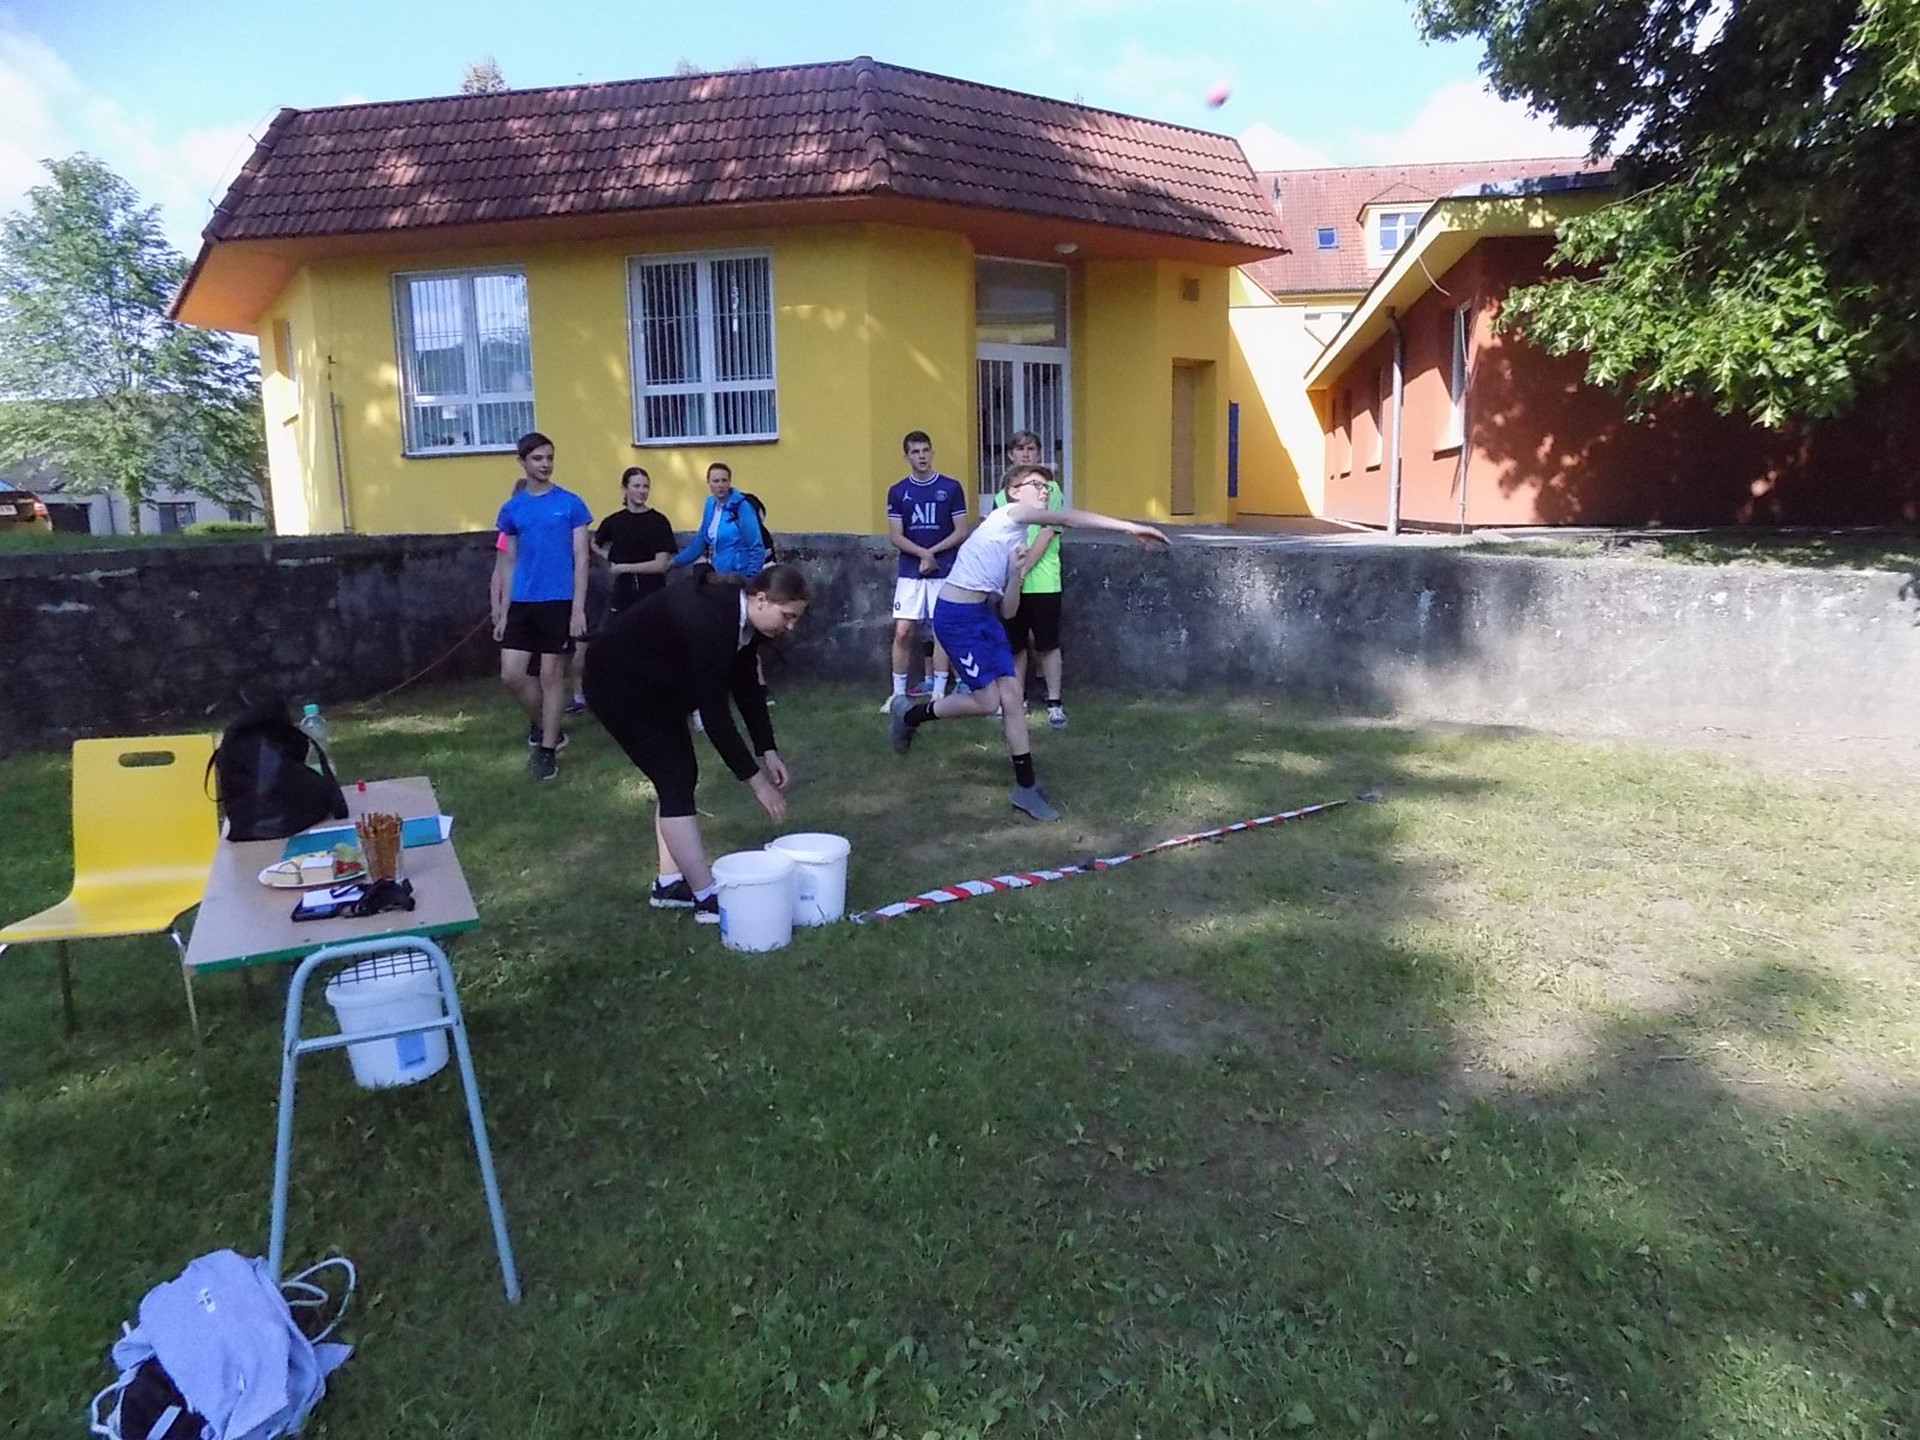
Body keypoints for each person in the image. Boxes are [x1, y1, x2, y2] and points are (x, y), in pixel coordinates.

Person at [887, 465, 1169, 821]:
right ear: (1014, 492)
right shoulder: (1009, 514)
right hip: (956, 617)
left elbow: (1008, 609)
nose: (1045, 490)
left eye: (1048, 486)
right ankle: (909, 715)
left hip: (983, 615)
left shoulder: (1016, 540)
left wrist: (1014, 573)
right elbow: (1068, 518)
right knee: (988, 702)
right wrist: (1129, 527)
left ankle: (1025, 786)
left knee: (1012, 696)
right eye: (1036, 484)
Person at [583, 564, 810, 921]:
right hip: (618, 685)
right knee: (675, 777)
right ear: (761, 599)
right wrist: (758, 784)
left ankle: (669, 885)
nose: (791, 626)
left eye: (796, 618)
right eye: (787, 616)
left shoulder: (741, 622)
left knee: (678, 778)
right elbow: (715, 716)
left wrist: (767, 749)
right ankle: (706, 897)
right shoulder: (710, 620)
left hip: (658, 688)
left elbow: (747, 686)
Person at [492, 432, 591, 781]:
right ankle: (548, 726)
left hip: (558, 601)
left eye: (549, 457)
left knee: (551, 676)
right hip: (522, 602)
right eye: (537, 458)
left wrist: (577, 608)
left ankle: (547, 750)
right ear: (522, 462)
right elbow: (508, 562)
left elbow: (581, 558)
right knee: (511, 675)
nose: (545, 464)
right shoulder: (512, 509)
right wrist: (503, 611)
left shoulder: (571, 504)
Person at [884, 430, 969, 711]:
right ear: (906, 457)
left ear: (932, 452)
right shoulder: (898, 491)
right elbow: (896, 535)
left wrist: (933, 553)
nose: (921, 456)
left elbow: (961, 531)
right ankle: (897, 694)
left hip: (945, 570)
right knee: (903, 631)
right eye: (915, 452)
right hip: (911, 571)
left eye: (925, 450)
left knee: (941, 630)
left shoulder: (951, 487)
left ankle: (939, 692)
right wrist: (923, 554)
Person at [993, 430, 1069, 728]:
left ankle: (1054, 702)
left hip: (1044, 581)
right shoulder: (1002, 496)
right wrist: (1012, 573)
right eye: (1020, 449)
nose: (1026, 454)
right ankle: (1017, 699)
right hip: (1014, 582)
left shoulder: (1050, 489)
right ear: (1011, 455)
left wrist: (1024, 570)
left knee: (1047, 643)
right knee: (1015, 645)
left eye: (1031, 449)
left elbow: (1048, 532)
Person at [594, 466, 678, 614]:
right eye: (636, 486)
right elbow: (594, 543)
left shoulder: (658, 521)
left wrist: (624, 567)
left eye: (646, 486)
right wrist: (608, 556)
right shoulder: (615, 521)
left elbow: (661, 564)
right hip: (622, 593)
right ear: (624, 489)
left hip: (652, 593)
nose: (642, 491)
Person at [670, 462, 769, 578]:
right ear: (708, 483)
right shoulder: (709, 505)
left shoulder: (742, 506)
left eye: (724, 480)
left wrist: (750, 578)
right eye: (716, 481)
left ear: (729, 482)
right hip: (718, 575)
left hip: (739, 576)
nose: (720, 485)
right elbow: (699, 543)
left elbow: (756, 547)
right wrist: (673, 562)